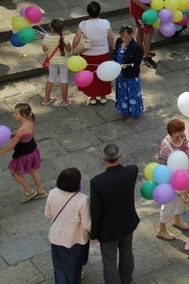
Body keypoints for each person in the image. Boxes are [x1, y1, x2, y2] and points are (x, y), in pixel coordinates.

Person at [89, 144, 139, 284]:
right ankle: (126, 279)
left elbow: (96, 210)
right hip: (127, 222)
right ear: (120, 156)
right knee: (126, 250)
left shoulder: (98, 182)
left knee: (109, 261)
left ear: (103, 158)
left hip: (108, 229)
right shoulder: (131, 171)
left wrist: (94, 233)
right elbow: (132, 166)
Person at [155, 119, 189, 241]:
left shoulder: (182, 136)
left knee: (181, 200)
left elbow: (186, 150)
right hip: (171, 179)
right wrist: (170, 184)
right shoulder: (165, 148)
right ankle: (161, 229)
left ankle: (176, 220)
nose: (181, 137)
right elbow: (163, 168)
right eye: (178, 135)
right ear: (170, 133)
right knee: (168, 204)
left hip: (183, 176)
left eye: (182, 133)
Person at [45, 167, 90, 283]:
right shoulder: (83, 199)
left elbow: (47, 214)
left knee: (59, 266)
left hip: (57, 236)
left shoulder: (53, 193)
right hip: (76, 238)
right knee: (74, 268)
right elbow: (86, 224)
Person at [0, 103, 46, 202]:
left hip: (24, 153)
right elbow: (28, 134)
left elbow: (11, 146)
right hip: (32, 149)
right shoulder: (31, 121)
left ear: (23, 115)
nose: (14, 115)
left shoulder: (21, 130)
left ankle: (29, 191)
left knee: (14, 172)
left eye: (16, 113)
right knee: (32, 170)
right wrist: (14, 135)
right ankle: (41, 191)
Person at [72, 2, 114, 106]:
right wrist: (111, 49)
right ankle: (103, 96)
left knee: (91, 76)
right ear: (99, 11)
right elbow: (111, 38)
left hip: (87, 55)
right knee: (103, 74)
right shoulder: (105, 23)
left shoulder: (83, 24)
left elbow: (76, 40)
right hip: (103, 53)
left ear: (88, 12)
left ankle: (93, 97)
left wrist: (75, 51)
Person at [111, 25, 144, 123]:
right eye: (122, 37)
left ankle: (133, 114)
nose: (123, 39)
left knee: (132, 94)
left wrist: (127, 65)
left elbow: (137, 62)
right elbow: (115, 53)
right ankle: (123, 110)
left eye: (125, 37)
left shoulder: (136, 47)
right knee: (121, 92)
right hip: (120, 74)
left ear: (131, 35)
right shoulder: (119, 41)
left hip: (131, 75)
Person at [42, 19, 73, 107]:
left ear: (51, 27)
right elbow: (69, 50)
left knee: (51, 78)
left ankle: (46, 99)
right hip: (63, 62)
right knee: (64, 79)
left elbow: (44, 50)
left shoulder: (46, 38)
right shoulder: (65, 38)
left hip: (52, 61)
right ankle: (64, 100)